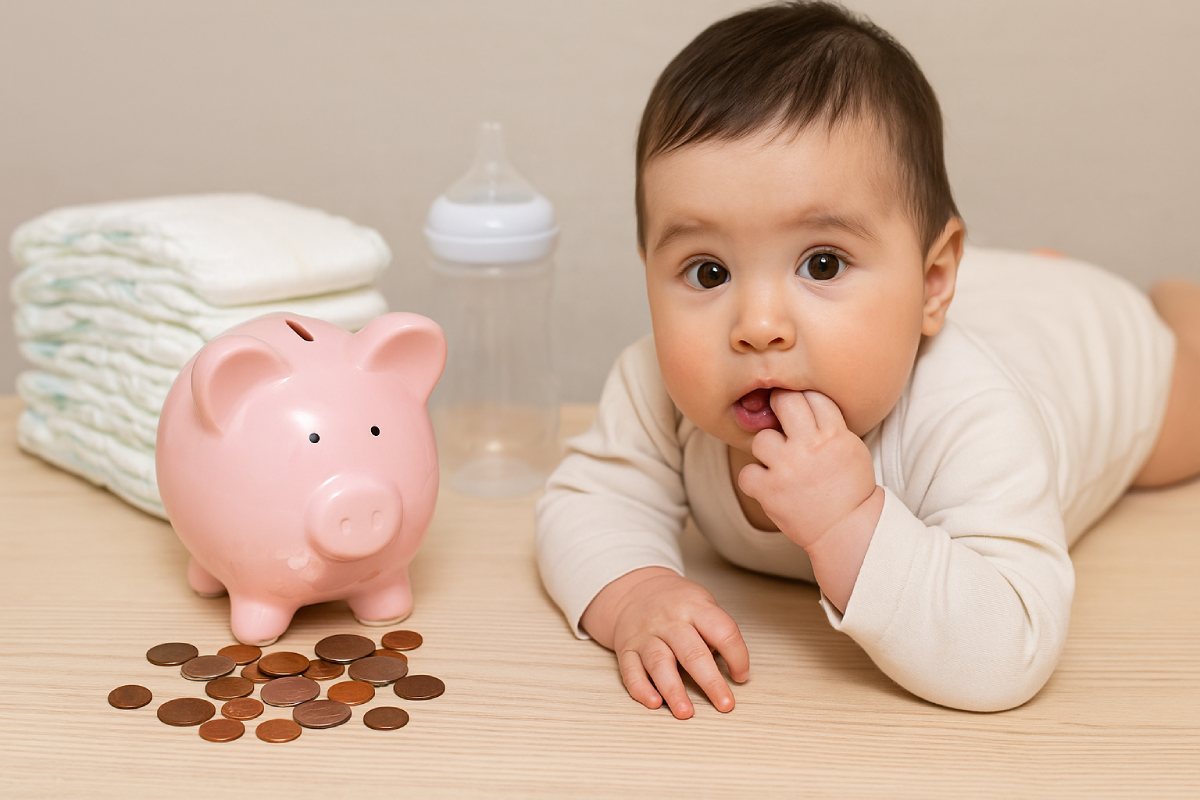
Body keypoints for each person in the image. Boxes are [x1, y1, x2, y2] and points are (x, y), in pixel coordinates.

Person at [535, 0, 1200, 717]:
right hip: (982, 299)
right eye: (708, 272)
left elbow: (1012, 644)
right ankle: (1019, 272)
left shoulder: (974, 413)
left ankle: (1174, 304)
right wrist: (635, 591)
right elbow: (586, 500)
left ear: (933, 283)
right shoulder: (655, 386)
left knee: (1184, 429)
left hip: (1099, 349)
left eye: (822, 264)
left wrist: (847, 523)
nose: (758, 327)